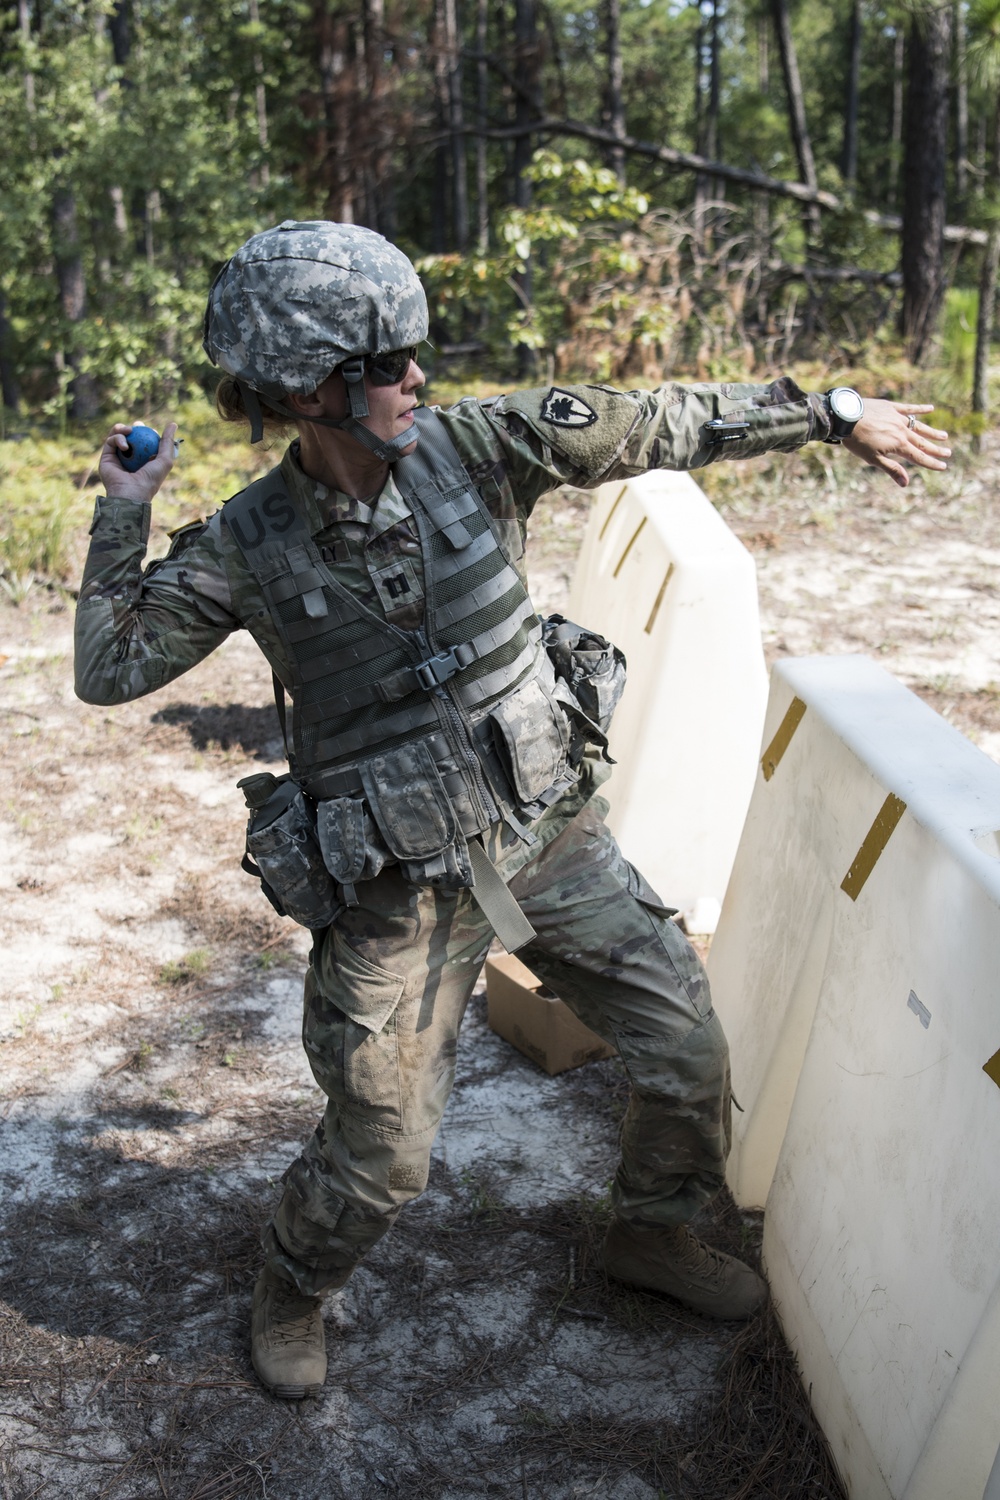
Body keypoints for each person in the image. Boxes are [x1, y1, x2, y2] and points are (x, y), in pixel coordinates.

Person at [74, 219, 950, 1400]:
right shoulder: (246, 546)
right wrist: (124, 506)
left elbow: (664, 417)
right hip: (398, 887)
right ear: (305, 390)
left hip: (546, 838)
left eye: (410, 355)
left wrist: (831, 410)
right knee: (382, 1151)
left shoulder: (483, 447)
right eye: (382, 366)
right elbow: (110, 665)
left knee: (686, 1053)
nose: (412, 378)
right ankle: (293, 1282)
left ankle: (646, 1234)